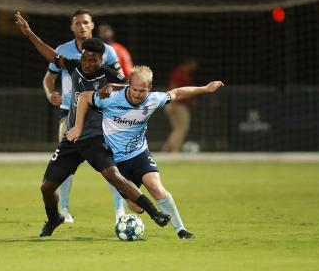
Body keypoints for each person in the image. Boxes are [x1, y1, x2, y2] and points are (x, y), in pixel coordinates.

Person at [15, 12, 171, 237]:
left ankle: (155, 213)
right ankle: (55, 218)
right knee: (46, 187)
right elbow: (51, 56)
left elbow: (131, 87)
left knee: (114, 176)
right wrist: (29, 33)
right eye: (85, 58)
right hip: (72, 137)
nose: (87, 63)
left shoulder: (109, 76)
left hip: (97, 137)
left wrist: (115, 87)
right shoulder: (73, 66)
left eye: (93, 60)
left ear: (101, 59)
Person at [66, 65, 224, 239]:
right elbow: (85, 97)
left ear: (149, 89)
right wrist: (78, 127)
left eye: (142, 90)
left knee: (156, 187)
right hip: (116, 162)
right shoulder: (111, 97)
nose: (137, 94)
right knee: (136, 207)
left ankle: (181, 230)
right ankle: (132, 203)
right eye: (134, 89)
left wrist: (205, 89)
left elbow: (177, 93)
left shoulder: (153, 99)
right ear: (128, 85)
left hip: (139, 153)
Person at [42, 9, 126, 224]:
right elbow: (49, 79)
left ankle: (119, 209)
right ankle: (64, 208)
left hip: (101, 112)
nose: (82, 26)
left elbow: (121, 80)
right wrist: (50, 93)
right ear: (72, 26)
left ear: (92, 25)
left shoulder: (107, 51)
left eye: (86, 22)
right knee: (65, 157)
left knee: (111, 161)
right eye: (78, 23)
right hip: (69, 111)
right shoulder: (63, 50)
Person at [162, 58, 199, 152]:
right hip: (176, 104)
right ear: (190, 63)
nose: (195, 66)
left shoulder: (185, 73)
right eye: (194, 63)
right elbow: (172, 88)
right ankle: (174, 150)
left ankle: (166, 149)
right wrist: (171, 104)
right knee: (181, 128)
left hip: (177, 104)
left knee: (177, 129)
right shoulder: (179, 72)